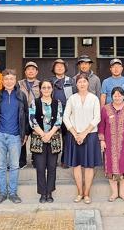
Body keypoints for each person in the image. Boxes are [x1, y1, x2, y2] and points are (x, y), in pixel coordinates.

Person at [0, 69, 29, 205]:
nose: (9, 81)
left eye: (11, 79)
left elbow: (26, 116)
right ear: (2, 81)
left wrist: (26, 133)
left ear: (15, 80)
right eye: (6, 79)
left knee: (15, 166)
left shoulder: (21, 96)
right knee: (1, 166)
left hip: (15, 136)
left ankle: (13, 193)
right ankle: (2, 193)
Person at [63, 73, 102, 204]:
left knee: (89, 165)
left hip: (90, 135)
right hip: (74, 135)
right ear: (76, 84)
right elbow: (65, 117)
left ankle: (87, 194)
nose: (82, 84)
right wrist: (75, 133)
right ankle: (80, 192)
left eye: (84, 81)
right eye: (79, 82)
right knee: (77, 165)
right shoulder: (72, 99)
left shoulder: (94, 98)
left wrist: (84, 133)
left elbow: (97, 117)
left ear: (88, 83)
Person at [98, 87, 124, 202]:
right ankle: (114, 193)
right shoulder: (105, 109)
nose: (117, 97)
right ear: (111, 96)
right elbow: (101, 126)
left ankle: (122, 193)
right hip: (109, 144)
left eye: (120, 95)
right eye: (115, 95)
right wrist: (102, 140)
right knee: (111, 167)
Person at [29, 80, 63, 203]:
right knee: (41, 167)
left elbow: (59, 120)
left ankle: (49, 192)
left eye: (49, 87)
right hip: (39, 139)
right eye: (44, 87)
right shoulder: (35, 102)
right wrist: (43, 134)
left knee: (52, 167)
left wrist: (49, 134)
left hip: (53, 139)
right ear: (40, 89)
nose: (46, 89)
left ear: (52, 89)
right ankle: (42, 193)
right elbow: (32, 120)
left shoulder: (57, 103)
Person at [50, 59, 76, 167]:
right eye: (57, 66)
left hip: (67, 111)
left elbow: (75, 95)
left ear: (65, 68)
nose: (60, 68)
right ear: (53, 68)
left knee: (66, 136)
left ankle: (65, 160)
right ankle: (52, 160)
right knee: (53, 135)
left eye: (62, 66)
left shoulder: (71, 80)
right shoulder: (50, 81)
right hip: (54, 111)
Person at [18, 61, 40, 169]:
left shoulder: (40, 84)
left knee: (36, 137)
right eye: (28, 69)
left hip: (35, 114)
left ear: (36, 72)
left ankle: (36, 159)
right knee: (22, 137)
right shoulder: (19, 84)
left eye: (33, 69)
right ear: (25, 71)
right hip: (22, 114)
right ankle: (22, 161)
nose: (30, 71)